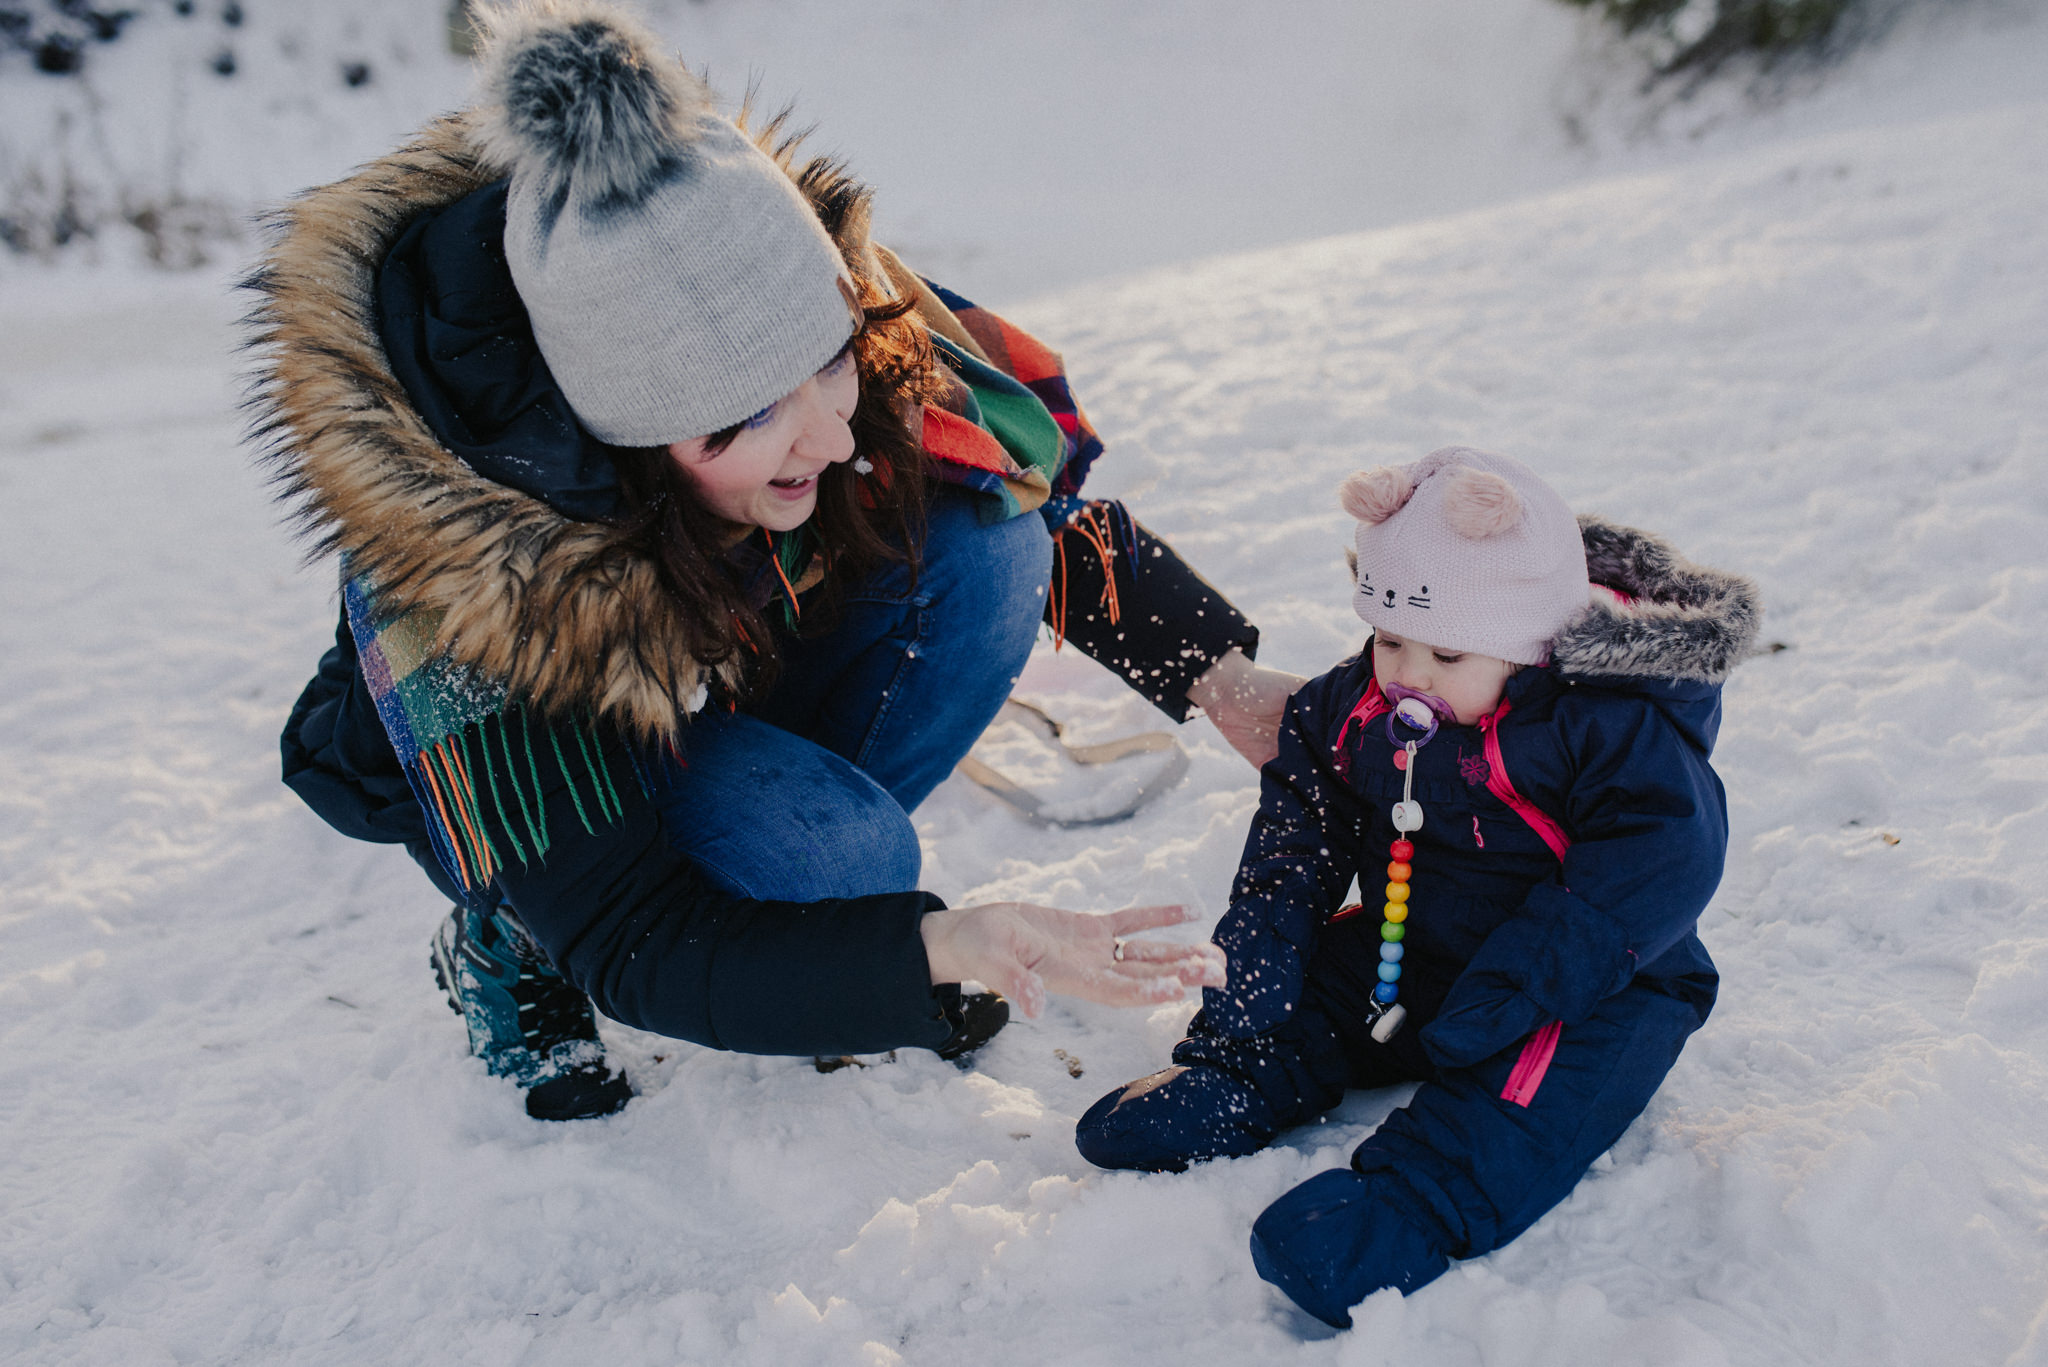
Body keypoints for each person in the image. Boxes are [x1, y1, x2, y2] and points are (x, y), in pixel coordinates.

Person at [255, 0, 1283, 1121]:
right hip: (495, 769)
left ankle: (809, 925)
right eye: (740, 421)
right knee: (827, 858)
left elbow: (1032, 485)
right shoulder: (472, 583)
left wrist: (1220, 678)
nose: (832, 436)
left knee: (988, 546)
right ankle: (514, 932)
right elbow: (633, 934)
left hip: (708, 619)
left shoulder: (779, 285)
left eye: (832, 362)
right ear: (623, 440)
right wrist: (938, 942)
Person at [1073, 447, 1760, 1327]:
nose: (1407, 672)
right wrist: (1264, 941)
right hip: (1415, 947)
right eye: (1388, 638)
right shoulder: (1363, 700)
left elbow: (1662, 854)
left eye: (1444, 650)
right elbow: (1303, 809)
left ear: (1533, 644)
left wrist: (1528, 977)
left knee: (1534, 1087)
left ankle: (1415, 1200)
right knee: (1316, 972)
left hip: (1590, 980)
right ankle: (1241, 1073)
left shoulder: (1605, 728)